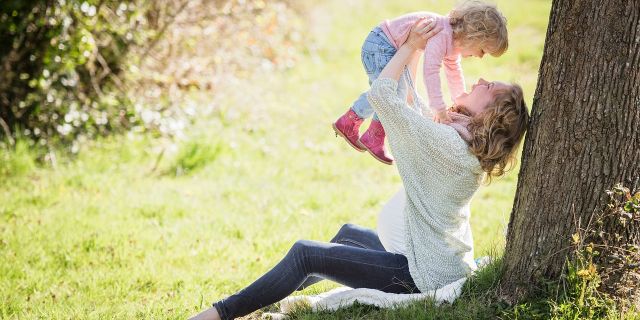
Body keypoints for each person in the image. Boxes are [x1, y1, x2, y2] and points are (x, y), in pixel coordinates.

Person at [190, 17, 529, 320]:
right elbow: (414, 106)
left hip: (418, 274)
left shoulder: (447, 145)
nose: (481, 78)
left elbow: (384, 95)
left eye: (489, 88)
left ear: (490, 116)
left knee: (306, 253)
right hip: (426, 257)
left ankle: (221, 313)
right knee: (348, 234)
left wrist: (410, 45)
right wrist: (412, 51)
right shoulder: (458, 138)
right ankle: (265, 300)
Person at [333, 0, 508, 165]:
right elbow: (430, 71)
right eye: (483, 50)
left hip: (384, 45)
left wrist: (459, 99)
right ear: (474, 36)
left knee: (390, 91)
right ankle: (367, 131)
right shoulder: (443, 34)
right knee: (390, 91)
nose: (479, 56)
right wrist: (438, 108)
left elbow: (454, 72)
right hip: (381, 45)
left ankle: (361, 127)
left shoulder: (452, 41)